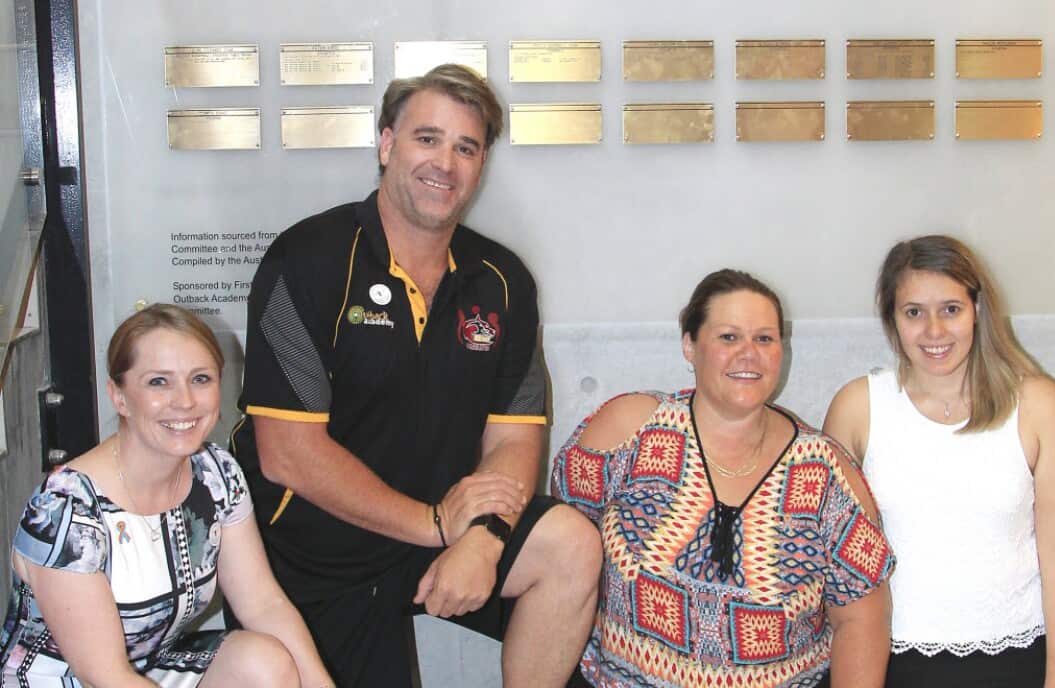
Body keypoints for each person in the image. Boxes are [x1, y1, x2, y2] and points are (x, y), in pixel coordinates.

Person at [230, 64, 601, 687]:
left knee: (570, 545)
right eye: (427, 139)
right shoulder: (307, 259)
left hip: (442, 529)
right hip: (314, 554)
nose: (445, 164)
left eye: (466, 147)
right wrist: (432, 525)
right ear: (386, 144)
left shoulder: (503, 281)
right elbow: (288, 454)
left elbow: (513, 439)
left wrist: (483, 537)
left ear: (481, 165)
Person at [552, 269, 894, 688]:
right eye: (729, 337)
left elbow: (862, 619)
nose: (749, 354)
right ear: (689, 345)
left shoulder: (824, 472)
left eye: (764, 339)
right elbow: (564, 551)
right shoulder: (630, 431)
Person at [1, 304, 334, 687]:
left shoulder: (216, 473)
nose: (185, 400)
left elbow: (263, 603)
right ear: (119, 397)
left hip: (149, 668)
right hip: (70, 681)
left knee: (264, 663)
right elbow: (104, 674)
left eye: (200, 379)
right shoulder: (67, 507)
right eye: (159, 382)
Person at [823, 236, 1055, 688]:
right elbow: (837, 562)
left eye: (950, 309)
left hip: (1019, 655)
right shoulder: (857, 407)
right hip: (888, 660)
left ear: (977, 310)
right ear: (892, 319)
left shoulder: (1041, 405)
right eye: (914, 312)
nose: (934, 331)